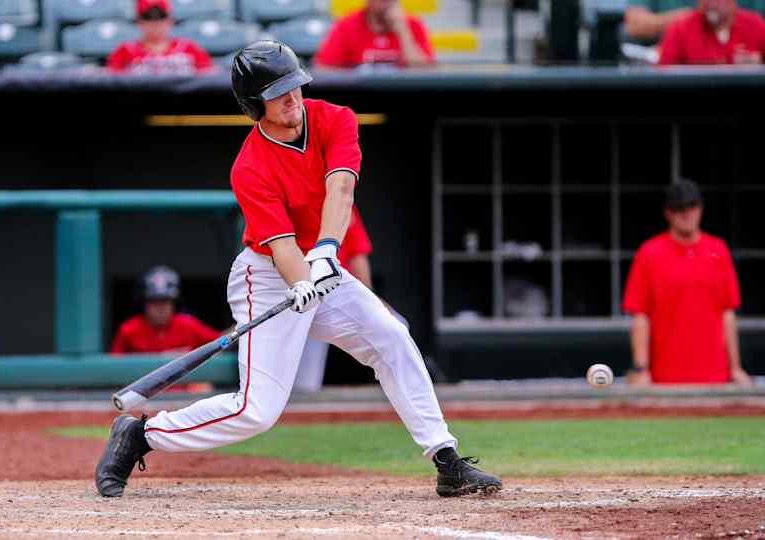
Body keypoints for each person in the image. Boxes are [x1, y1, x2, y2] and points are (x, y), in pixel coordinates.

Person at [95, 40, 501, 499]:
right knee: (257, 411)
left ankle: (447, 461)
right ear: (253, 105)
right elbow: (281, 246)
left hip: (323, 263)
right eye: (278, 92)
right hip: (267, 276)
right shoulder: (249, 166)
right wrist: (302, 280)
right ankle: (140, 435)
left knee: (390, 336)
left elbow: (341, 190)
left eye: (295, 87)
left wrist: (326, 251)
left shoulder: (336, 119)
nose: (292, 99)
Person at [622, 180, 752, 386]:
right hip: (664, 378)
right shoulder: (649, 253)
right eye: (678, 208)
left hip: (715, 377)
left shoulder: (718, 250)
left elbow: (727, 313)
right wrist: (641, 368)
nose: (686, 214)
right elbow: (640, 315)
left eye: (691, 206)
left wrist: (735, 367)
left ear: (700, 209)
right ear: (668, 213)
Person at [293, 206, 374, 392]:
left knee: (396, 326)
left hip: (338, 291)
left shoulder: (344, 205)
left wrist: (370, 300)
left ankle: (394, 397)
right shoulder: (293, 201)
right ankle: (303, 397)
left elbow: (357, 255)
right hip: (299, 290)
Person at [110, 266, 221, 354]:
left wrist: (237, 327)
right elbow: (112, 370)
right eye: (154, 302)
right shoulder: (129, 330)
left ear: (174, 303)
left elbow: (222, 342)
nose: (160, 308)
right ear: (144, 303)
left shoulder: (188, 325)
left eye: (165, 301)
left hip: (183, 383)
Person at [314, 0, 435, 68]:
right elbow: (323, 67)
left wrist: (403, 31)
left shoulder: (412, 25)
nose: (387, 3)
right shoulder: (347, 25)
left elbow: (424, 71)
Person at [107, 0, 213, 74]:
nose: (155, 22)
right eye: (148, 17)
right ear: (138, 21)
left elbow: (210, 81)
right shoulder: (124, 51)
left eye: (160, 16)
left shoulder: (190, 48)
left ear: (170, 20)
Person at [659, 0, 765, 64]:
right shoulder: (680, 30)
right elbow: (663, 78)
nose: (712, 3)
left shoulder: (755, 25)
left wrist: (757, 67)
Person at [626, 0, 765, 42]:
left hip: (741, 70)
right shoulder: (684, 26)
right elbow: (635, 24)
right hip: (671, 72)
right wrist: (688, 22)